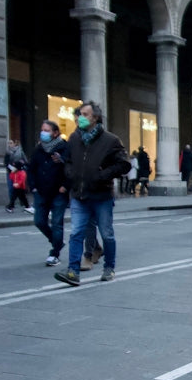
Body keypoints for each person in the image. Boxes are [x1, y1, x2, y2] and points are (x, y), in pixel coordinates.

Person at [54, 102, 130, 286]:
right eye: (80, 113)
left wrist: (102, 175)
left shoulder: (110, 140)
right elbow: (68, 161)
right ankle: (73, 271)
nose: (81, 117)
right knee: (76, 232)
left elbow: (124, 164)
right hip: (79, 195)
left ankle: (109, 268)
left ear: (95, 117)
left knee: (106, 233)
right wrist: (70, 174)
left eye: (85, 114)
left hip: (101, 195)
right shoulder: (74, 138)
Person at [29, 120, 69, 267]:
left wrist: (66, 186)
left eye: (47, 130)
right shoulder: (39, 149)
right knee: (39, 221)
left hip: (59, 192)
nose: (43, 133)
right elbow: (31, 168)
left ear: (55, 133)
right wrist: (32, 186)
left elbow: (71, 168)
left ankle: (55, 253)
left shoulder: (64, 148)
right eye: (42, 130)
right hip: (41, 192)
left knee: (57, 223)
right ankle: (57, 242)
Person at [4, 139, 32, 214]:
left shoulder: (20, 152)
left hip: (19, 173)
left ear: (15, 144)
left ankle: (12, 206)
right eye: (8, 143)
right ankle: (16, 205)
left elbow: (25, 162)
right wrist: (11, 168)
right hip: (11, 173)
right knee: (14, 190)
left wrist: (20, 166)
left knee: (17, 191)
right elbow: (6, 163)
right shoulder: (8, 153)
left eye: (11, 143)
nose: (9, 144)